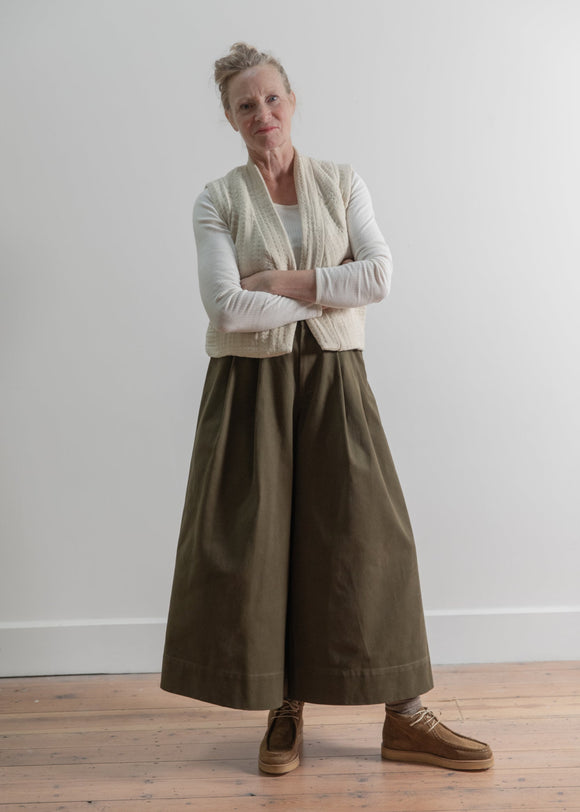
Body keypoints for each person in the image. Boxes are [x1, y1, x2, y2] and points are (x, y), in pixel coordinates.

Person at [160, 42, 493, 775]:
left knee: (373, 537)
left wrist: (280, 279)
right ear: (229, 117)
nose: (263, 114)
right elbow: (224, 305)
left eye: (273, 98)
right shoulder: (217, 199)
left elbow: (378, 275)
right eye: (246, 105)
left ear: (293, 101)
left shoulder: (341, 183)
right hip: (251, 391)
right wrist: (324, 285)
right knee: (267, 546)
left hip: (336, 379)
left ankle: (405, 714)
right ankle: (286, 707)